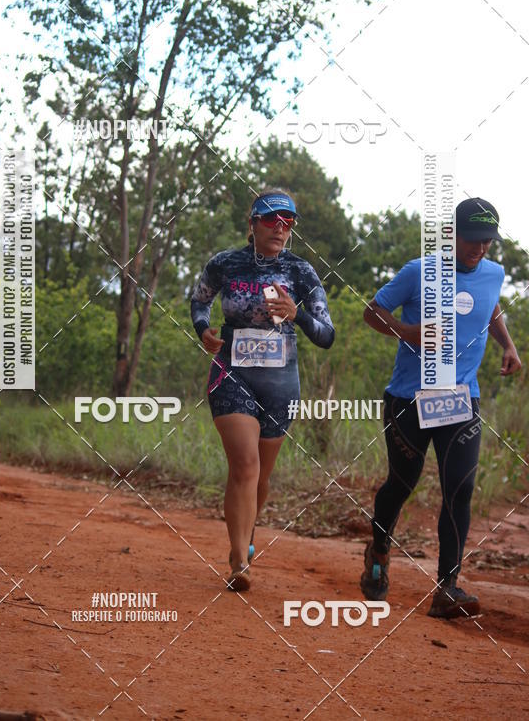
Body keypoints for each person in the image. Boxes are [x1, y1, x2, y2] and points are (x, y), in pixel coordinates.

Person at [360, 197, 521, 618]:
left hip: (461, 399)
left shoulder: (493, 273)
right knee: (401, 483)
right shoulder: (419, 271)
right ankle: (378, 549)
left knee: (460, 488)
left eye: (488, 242)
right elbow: (371, 312)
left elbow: (490, 305)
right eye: (473, 240)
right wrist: (406, 331)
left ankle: (447, 586)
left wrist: (508, 343)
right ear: (452, 234)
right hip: (409, 400)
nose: (480, 249)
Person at [190, 189, 335, 591]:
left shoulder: (301, 271)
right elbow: (198, 302)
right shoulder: (224, 264)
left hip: (280, 382)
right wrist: (203, 330)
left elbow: (327, 334)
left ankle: (246, 535)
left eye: (288, 222)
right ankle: (239, 560)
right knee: (245, 465)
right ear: (252, 223)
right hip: (231, 373)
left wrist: (297, 314)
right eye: (271, 220)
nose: (280, 227)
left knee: (262, 475)